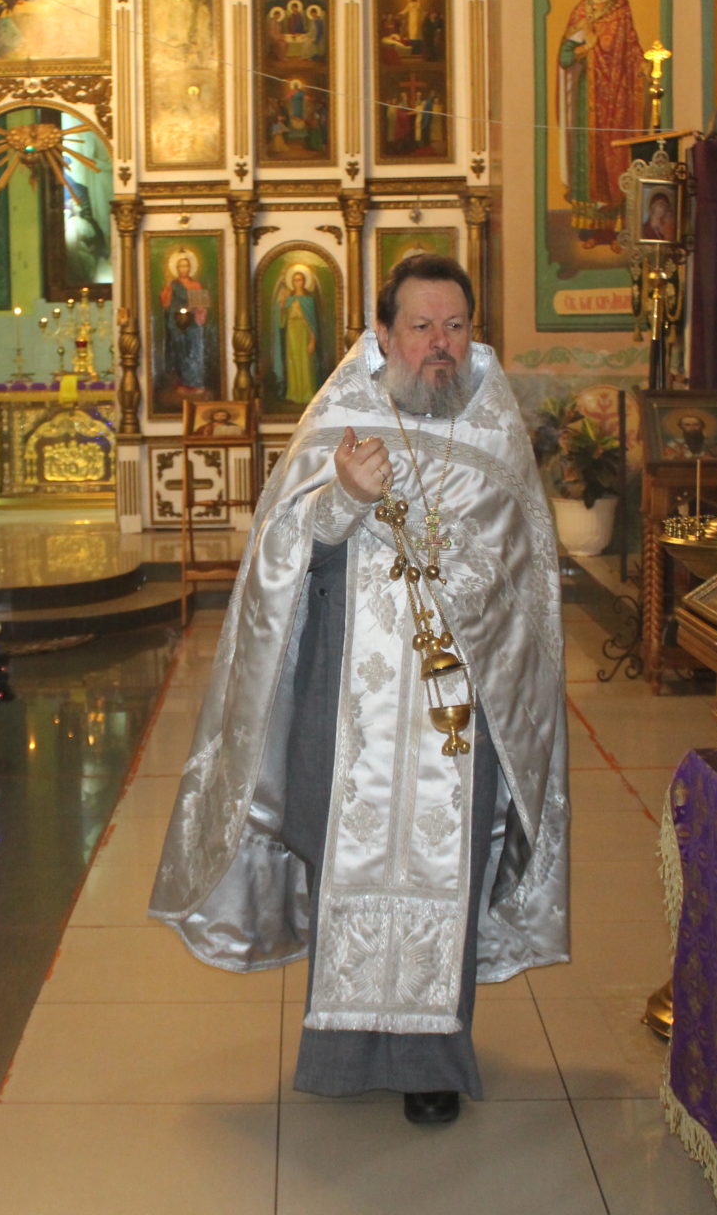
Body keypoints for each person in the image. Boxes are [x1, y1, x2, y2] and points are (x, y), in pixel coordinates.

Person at [151, 254, 569, 1128]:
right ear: (382, 334)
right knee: (346, 865)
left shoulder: (495, 431)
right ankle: (341, 1055)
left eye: (455, 326)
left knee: (448, 880)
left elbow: (525, 583)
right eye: (420, 327)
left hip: (460, 714)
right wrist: (342, 495)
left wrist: (464, 581)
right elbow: (282, 550)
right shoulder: (339, 419)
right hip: (346, 701)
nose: (439, 344)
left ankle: (432, 1065)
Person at [556, 0, 644, 249]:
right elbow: (565, 57)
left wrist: (644, 65)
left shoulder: (622, 7)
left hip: (618, 96)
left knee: (616, 158)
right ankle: (593, 230)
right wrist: (587, 48)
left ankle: (619, 229)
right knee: (590, 160)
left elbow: (632, 46)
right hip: (588, 99)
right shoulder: (581, 12)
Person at [159, 252, 216, 396]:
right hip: (177, 324)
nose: (183, 269)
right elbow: (166, 304)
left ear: (190, 268)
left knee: (194, 352)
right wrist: (167, 291)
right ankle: (183, 384)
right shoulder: (173, 285)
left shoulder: (195, 285)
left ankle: (195, 383)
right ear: (177, 269)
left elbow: (201, 306)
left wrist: (195, 309)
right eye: (180, 266)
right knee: (181, 352)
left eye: (186, 266)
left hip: (193, 325)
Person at [273, 266, 323, 405]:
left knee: (306, 363)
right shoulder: (288, 299)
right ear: (292, 282)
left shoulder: (309, 301)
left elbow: (312, 323)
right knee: (293, 362)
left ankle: (307, 394)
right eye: (295, 280)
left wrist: (312, 340)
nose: (297, 282)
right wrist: (282, 306)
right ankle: (294, 394)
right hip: (291, 333)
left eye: (300, 280)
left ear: (304, 281)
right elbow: (281, 322)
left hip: (304, 333)